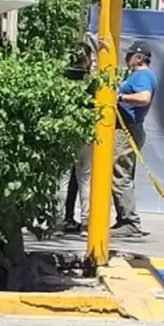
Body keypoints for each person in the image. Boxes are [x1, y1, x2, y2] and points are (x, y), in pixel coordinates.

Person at [111, 41, 157, 238]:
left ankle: (130, 222)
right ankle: (124, 220)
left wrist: (120, 98)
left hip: (127, 130)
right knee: (123, 175)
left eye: (129, 55)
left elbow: (145, 98)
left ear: (139, 57)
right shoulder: (138, 76)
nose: (126, 58)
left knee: (120, 175)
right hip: (128, 128)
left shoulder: (143, 76)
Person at [63, 33, 98, 233]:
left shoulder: (61, 79)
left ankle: (59, 220)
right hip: (85, 132)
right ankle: (86, 222)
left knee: (62, 178)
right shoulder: (91, 83)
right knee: (85, 177)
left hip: (65, 131)